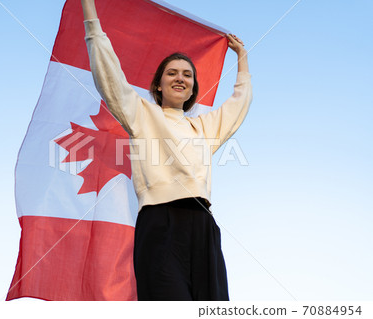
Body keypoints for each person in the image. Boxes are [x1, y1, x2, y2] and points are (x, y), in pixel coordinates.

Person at [81, 0, 252, 300]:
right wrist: (90, 13)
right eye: (172, 73)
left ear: (192, 88)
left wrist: (242, 58)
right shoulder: (142, 115)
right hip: (160, 224)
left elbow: (239, 104)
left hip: (202, 226)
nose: (180, 78)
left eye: (187, 75)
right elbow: (110, 77)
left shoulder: (205, 128)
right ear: (159, 85)